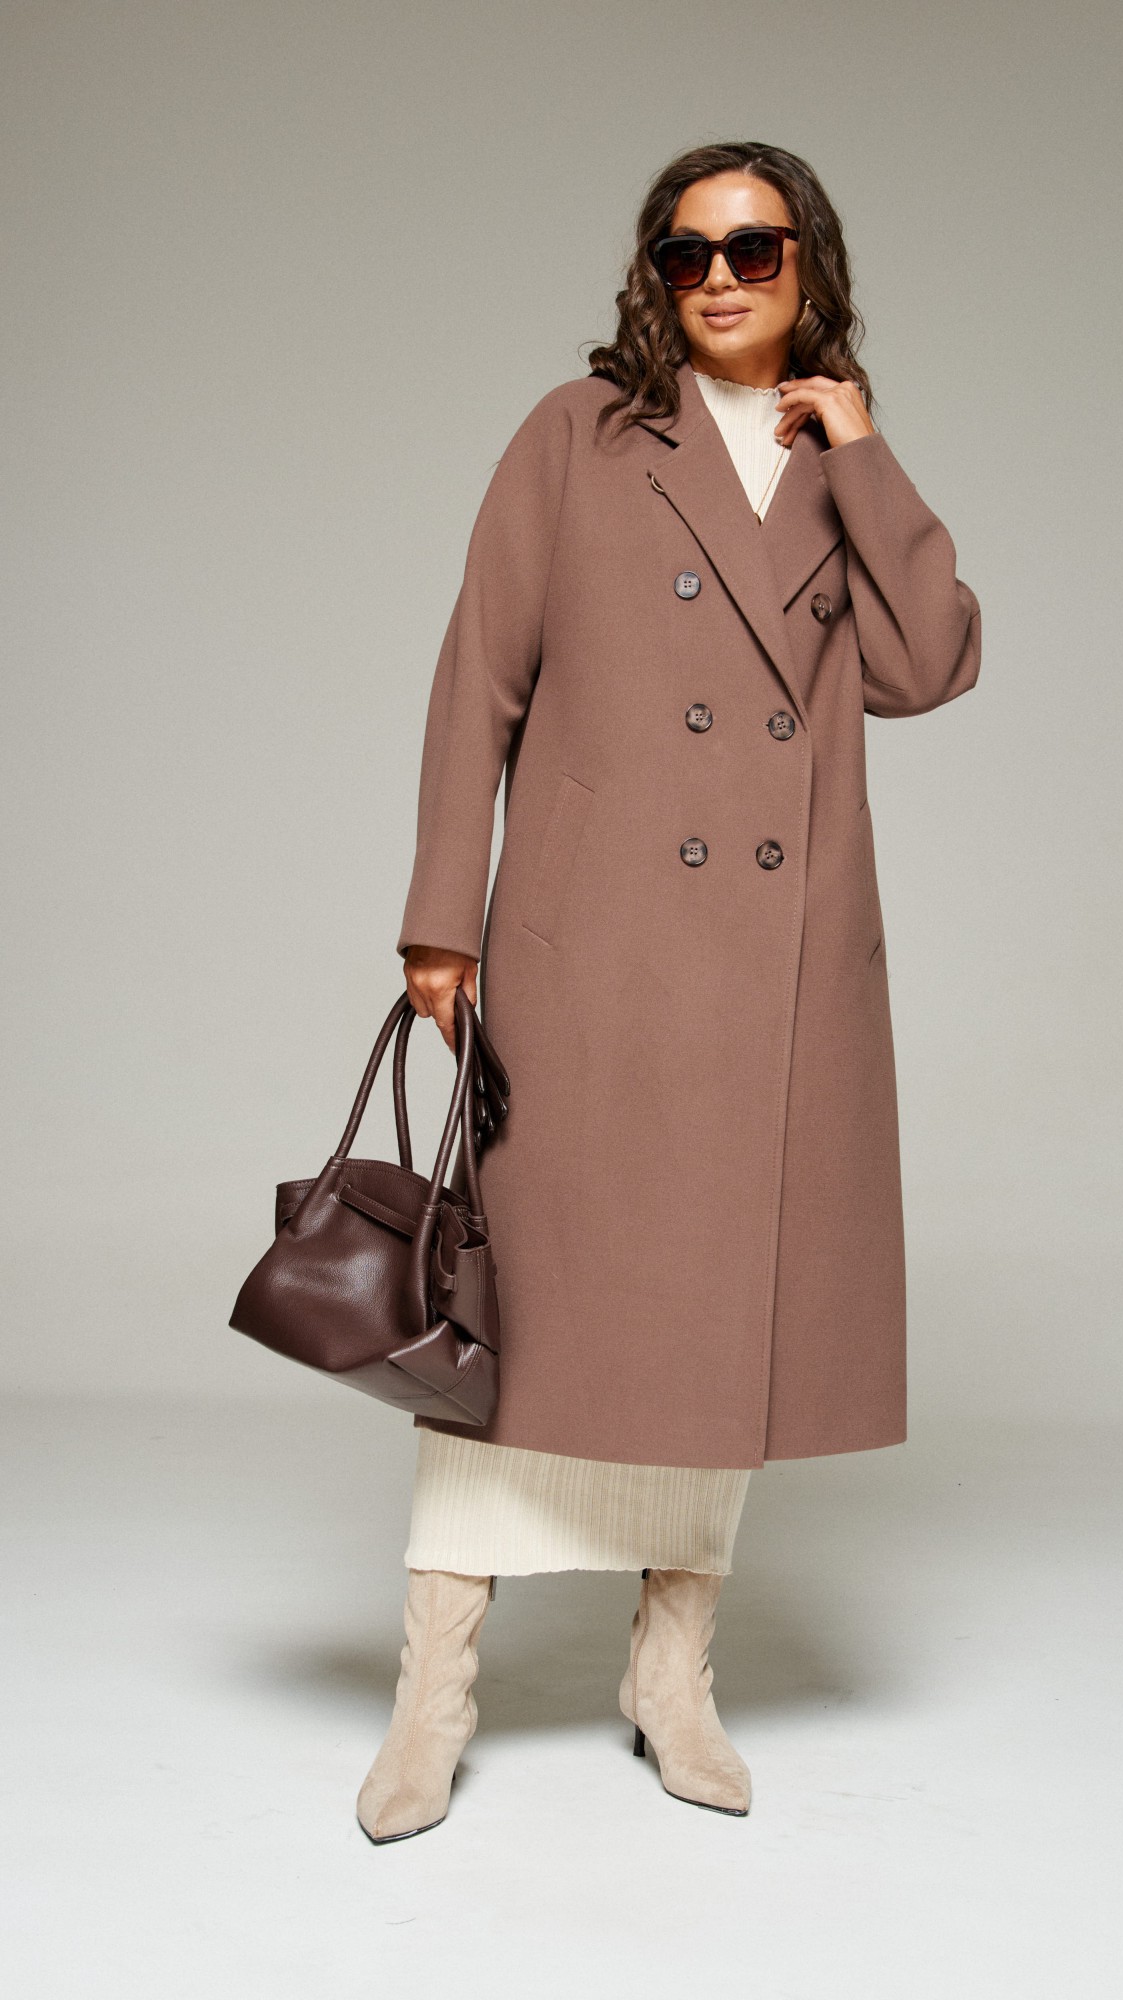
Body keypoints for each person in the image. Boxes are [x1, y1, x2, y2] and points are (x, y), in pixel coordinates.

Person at [356, 139, 982, 1842]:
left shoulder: (836, 460)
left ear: (807, 268)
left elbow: (929, 661)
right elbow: (478, 675)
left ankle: (670, 1675)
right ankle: (434, 1688)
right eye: (686, 251)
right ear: (654, 275)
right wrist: (441, 918)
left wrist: (864, 452)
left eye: (754, 248)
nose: (718, 277)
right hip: (595, 952)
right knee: (517, 1321)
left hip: (770, 971)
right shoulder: (576, 435)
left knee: (720, 1324)